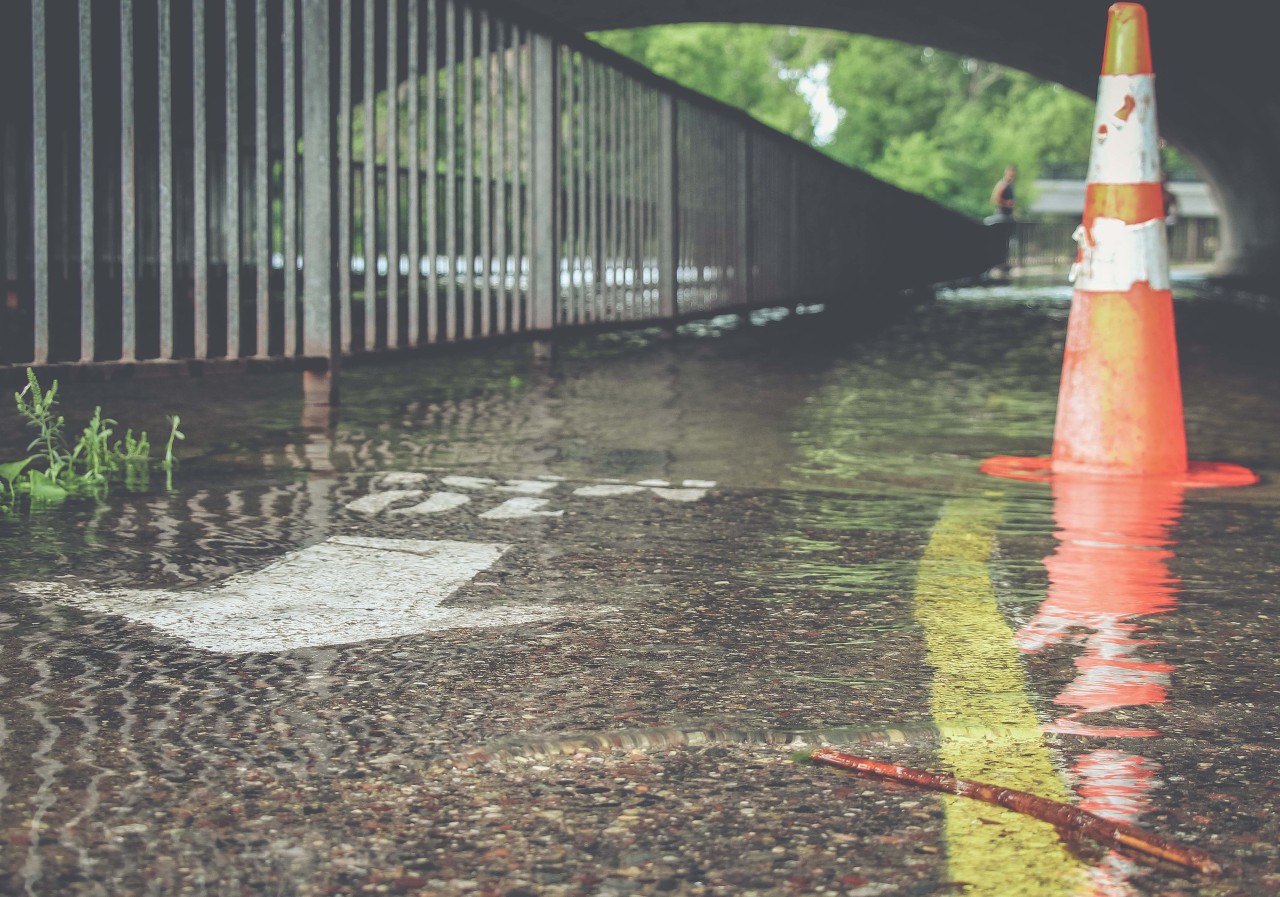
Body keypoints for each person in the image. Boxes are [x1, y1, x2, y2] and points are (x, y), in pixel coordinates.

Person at [987, 165, 1018, 278]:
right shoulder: (1003, 184)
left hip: (1007, 218)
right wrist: (1007, 203)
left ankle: (1003, 262)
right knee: (1000, 240)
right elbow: (995, 198)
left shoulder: (1010, 185)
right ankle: (998, 263)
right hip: (1001, 217)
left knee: (1006, 240)